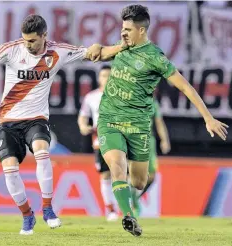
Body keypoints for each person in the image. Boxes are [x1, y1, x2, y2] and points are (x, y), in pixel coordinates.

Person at [92, 5, 228, 236]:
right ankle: (127, 215)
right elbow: (101, 54)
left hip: (138, 126)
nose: (123, 33)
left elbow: (185, 86)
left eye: (127, 29)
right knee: (116, 165)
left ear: (142, 31)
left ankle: (129, 200)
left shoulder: (155, 58)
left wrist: (208, 117)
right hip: (110, 119)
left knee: (138, 182)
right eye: (122, 28)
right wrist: (100, 48)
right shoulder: (122, 46)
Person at [0, 14, 101, 235]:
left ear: (44, 36)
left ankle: (47, 209)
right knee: (9, 169)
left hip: (36, 118)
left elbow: (92, 53)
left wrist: (111, 47)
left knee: (41, 151)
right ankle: (27, 215)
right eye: (25, 40)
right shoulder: (11, 49)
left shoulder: (59, 51)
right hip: (8, 121)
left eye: (33, 41)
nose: (28, 45)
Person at [78, 65, 118, 221]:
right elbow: (83, 116)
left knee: (123, 173)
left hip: (121, 138)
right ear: (99, 78)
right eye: (103, 76)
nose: (106, 78)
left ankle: (127, 207)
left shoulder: (123, 95)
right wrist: (83, 126)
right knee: (105, 174)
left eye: (109, 75)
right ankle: (110, 208)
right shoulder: (91, 97)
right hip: (100, 140)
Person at [131, 99, 171, 216]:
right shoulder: (128, 98)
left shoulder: (153, 102)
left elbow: (159, 122)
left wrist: (164, 140)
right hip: (132, 139)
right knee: (132, 173)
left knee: (151, 177)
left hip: (149, 142)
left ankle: (135, 198)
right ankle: (132, 204)